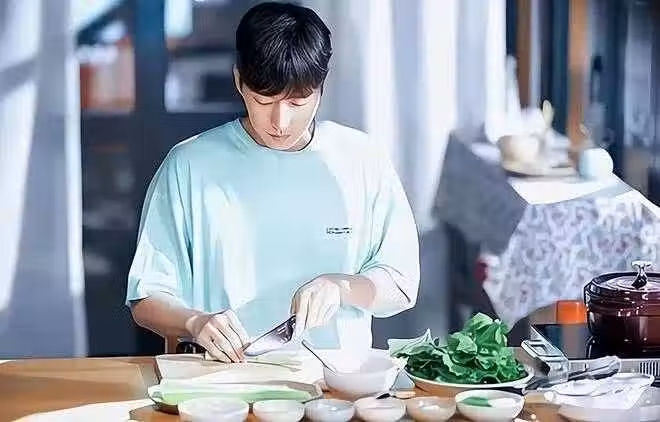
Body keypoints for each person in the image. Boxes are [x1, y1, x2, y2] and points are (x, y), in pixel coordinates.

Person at [126, 2, 419, 363]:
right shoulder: (189, 165)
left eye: (297, 102)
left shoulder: (362, 159)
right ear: (239, 81)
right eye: (264, 100)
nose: (280, 122)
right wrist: (195, 321)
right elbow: (145, 298)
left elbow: (401, 284)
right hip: (222, 379)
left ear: (320, 88)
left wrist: (341, 287)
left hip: (335, 381)